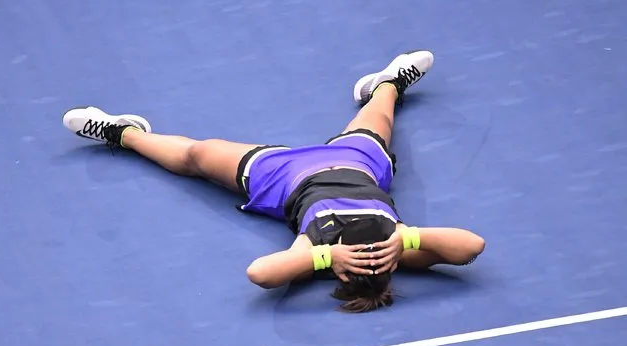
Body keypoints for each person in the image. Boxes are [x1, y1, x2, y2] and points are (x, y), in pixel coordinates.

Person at [62, 50, 485, 313]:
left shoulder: (317, 249)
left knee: (196, 155)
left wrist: (328, 257)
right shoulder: (400, 249)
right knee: (381, 112)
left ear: (340, 276)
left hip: (282, 177)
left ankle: (122, 132)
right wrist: (406, 240)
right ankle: (387, 82)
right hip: (357, 162)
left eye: (358, 263)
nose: (366, 253)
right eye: (374, 259)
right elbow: (472, 246)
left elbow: (260, 273)